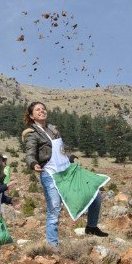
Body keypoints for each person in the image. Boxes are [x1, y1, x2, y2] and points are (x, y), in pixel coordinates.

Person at [23, 101, 108, 246]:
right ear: (32, 116)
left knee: (96, 195)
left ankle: (91, 227)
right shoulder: (32, 134)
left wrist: (70, 156)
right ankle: (52, 245)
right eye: (38, 110)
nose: (42, 111)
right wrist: (33, 163)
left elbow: (60, 150)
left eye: (43, 109)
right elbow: (30, 153)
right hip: (50, 175)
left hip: (66, 171)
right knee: (54, 209)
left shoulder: (52, 130)